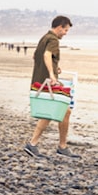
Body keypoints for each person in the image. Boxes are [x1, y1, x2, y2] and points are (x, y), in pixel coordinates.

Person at [24, 15, 78, 158]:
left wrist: (55, 68)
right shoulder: (53, 39)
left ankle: (59, 146)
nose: (65, 33)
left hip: (40, 81)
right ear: (59, 27)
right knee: (54, 112)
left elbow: (36, 57)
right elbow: (47, 55)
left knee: (62, 112)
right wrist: (52, 75)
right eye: (65, 30)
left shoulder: (44, 37)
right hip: (46, 82)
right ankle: (37, 144)